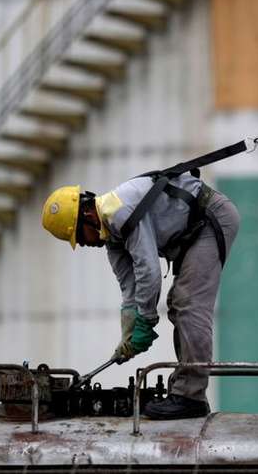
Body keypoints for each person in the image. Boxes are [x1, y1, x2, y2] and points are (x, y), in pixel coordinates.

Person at [41, 173, 239, 419]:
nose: (81, 244)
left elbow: (149, 271)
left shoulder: (120, 213)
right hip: (195, 228)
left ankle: (190, 397)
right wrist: (128, 336)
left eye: (79, 237)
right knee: (178, 305)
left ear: (88, 216)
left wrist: (145, 321)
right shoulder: (111, 235)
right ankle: (187, 390)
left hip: (211, 217)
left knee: (188, 303)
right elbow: (130, 288)